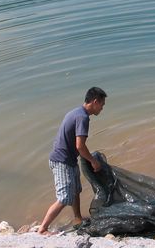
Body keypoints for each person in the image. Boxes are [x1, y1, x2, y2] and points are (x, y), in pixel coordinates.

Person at [38, 87, 107, 234]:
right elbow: (80, 146)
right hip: (62, 161)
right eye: (102, 104)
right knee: (64, 198)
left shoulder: (76, 112)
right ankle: (43, 229)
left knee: (76, 190)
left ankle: (77, 218)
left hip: (68, 159)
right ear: (95, 102)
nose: (102, 108)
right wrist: (93, 161)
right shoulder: (83, 117)